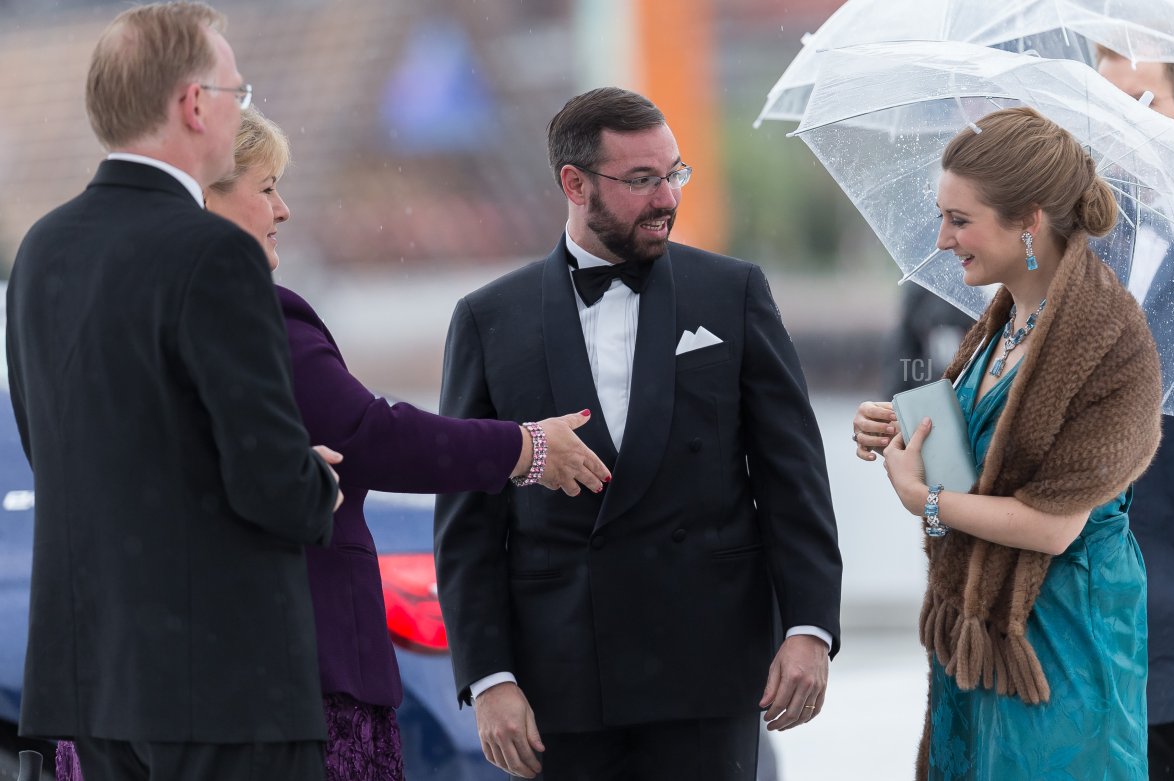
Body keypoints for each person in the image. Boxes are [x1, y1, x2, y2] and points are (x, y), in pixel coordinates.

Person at [51, 107, 612, 781]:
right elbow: (369, 436)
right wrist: (527, 449)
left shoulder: (104, 313)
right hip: (278, 682)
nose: (282, 209)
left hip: (116, 680)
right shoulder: (250, 310)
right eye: (265, 188)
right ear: (203, 198)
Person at [433, 87, 843, 780]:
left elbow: (792, 476)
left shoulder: (733, 292)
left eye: (675, 173)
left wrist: (809, 627)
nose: (667, 198)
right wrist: (489, 675)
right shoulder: (488, 318)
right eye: (642, 179)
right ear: (575, 184)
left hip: (708, 667)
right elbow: (467, 519)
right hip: (558, 678)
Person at [4, 4, 343, 781]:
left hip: (95, 677)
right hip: (221, 680)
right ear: (194, 105)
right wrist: (315, 480)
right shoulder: (213, 251)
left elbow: (55, 446)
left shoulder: (43, 248)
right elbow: (269, 479)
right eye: (236, 92)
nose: (238, 108)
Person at [852, 106, 1163, 779]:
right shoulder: (1003, 320)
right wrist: (904, 427)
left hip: (1061, 651)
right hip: (983, 641)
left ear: (1029, 220)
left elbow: (1054, 525)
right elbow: (988, 460)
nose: (942, 239)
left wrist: (925, 500)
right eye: (940, 216)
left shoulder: (1109, 339)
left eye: (959, 220)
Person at [1095, 46, 1174, 781]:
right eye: (1106, 109)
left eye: (1142, 103)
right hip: (1100, 630)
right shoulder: (1077, 249)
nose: (1122, 127)